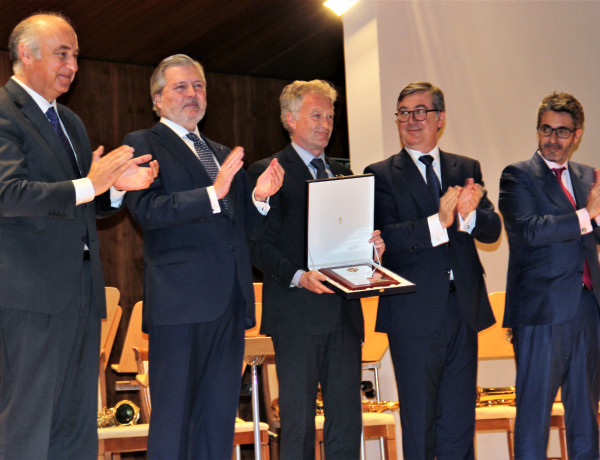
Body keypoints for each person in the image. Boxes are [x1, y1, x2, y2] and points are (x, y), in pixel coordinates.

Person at [0, 12, 158, 460]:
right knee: (27, 423)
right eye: (62, 54)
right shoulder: (3, 112)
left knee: (75, 424)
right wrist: (91, 183)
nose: (72, 65)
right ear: (27, 54)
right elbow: (8, 194)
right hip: (28, 297)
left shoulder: (69, 122)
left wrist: (114, 191)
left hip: (81, 295)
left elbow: (81, 202)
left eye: (75, 56)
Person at [124, 54, 284, 459]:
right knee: (174, 420)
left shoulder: (220, 151)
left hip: (229, 302)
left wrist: (259, 199)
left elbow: (242, 230)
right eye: (181, 87)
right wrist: (213, 193)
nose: (192, 94)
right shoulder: (143, 143)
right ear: (157, 99)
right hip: (180, 303)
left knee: (217, 420)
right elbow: (147, 210)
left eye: (198, 87)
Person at [248, 79, 385, 460]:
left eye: (330, 116)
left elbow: (349, 242)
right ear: (290, 119)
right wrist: (298, 276)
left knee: (346, 420)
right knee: (298, 422)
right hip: (296, 316)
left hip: (343, 315)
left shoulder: (345, 173)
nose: (325, 124)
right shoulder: (270, 172)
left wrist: (372, 251)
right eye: (316, 115)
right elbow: (258, 244)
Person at [364, 81, 501, 459]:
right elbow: (383, 238)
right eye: (404, 112)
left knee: (459, 422)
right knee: (420, 421)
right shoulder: (380, 174)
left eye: (420, 111)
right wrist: (437, 223)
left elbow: (492, 230)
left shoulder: (465, 168)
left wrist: (470, 216)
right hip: (413, 313)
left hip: (464, 309)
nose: (411, 120)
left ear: (440, 118)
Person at [499, 91, 600, 458]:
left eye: (562, 132)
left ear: (577, 135)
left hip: (587, 307)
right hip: (541, 313)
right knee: (534, 414)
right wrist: (587, 214)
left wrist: (597, 216)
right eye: (546, 129)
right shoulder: (517, 176)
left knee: (587, 413)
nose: (552, 139)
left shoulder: (588, 175)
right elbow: (532, 230)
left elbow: (595, 231)